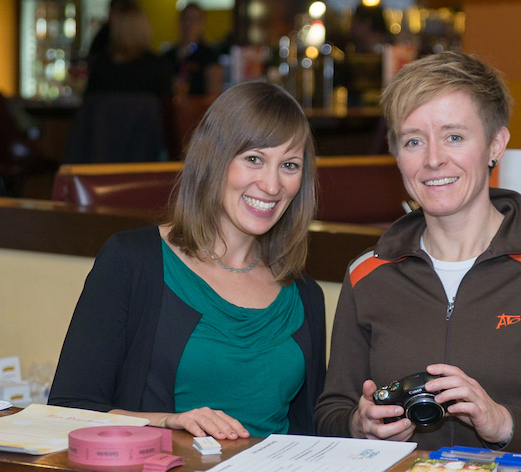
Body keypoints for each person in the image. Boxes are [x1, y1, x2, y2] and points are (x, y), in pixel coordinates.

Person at [314, 52, 521, 457]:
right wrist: (359, 424)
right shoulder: (367, 273)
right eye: (413, 141)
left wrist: (503, 423)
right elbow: (330, 413)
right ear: (397, 155)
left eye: (454, 137)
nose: (433, 159)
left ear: (495, 145)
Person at [50, 82, 326, 440]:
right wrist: (167, 421)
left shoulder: (305, 295)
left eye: (289, 165)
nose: (272, 186)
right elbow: (68, 410)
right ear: (213, 159)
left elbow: (313, 433)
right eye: (254, 159)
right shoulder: (132, 262)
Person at [63, 2, 174, 163]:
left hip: (99, 155)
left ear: (115, 29)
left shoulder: (101, 66)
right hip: (145, 157)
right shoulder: (157, 66)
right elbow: (168, 114)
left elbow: (87, 112)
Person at [162, 3, 223, 96]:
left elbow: (214, 93)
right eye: (187, 18)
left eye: (195, 19)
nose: (190, 24)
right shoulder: (168, 56)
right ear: (179, 21)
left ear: (202, 23)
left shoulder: (208, 56)